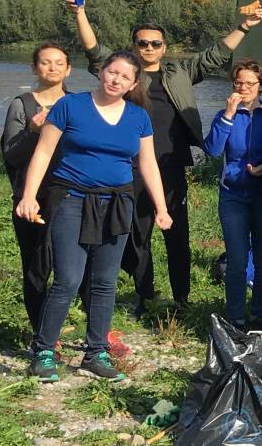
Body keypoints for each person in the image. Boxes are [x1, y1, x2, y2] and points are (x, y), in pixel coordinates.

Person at [72, 0, 261, 316]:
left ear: (163, 46)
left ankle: (182, 298)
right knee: (137, 234)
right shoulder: (125, 76)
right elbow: (94, 51)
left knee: (177, 236)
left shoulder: (180, 71)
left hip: (171, 165)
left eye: (154, 43)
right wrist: (79, 12)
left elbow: (215, 55)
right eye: (142, 43)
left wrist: (243, 27)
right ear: (133, 46)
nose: (148, 48)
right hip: (131, 166)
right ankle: (145, 297)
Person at [16, 51, 170, 384]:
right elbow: (43, 152)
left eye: (124, 77)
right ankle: (43, 351)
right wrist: (29, 195)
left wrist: (161, 207)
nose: (116, 80)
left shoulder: (138, 117)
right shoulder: (70, 106)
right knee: (69, 279)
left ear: (133, 83)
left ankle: (95, 352)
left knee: (104, 282)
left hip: (117, 204)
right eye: (112, 72)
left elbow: (148, 165)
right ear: (101, 71)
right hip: (71, 199)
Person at [0, 42, 71, 344]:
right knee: (35, 264)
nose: (52, 68)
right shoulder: (22, 104)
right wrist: (31, 130)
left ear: (68, 69)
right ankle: (40, 331)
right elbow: (11, 155)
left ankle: (64, 325)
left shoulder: (78, 104)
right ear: (34, 68)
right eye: (45, 62)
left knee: (70, 264)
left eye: (58, 62)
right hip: (32, 198)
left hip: (71, 196)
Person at [202, 60, 262, 330]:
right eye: (238, 83)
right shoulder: (225, 114)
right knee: (237, 260)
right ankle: (235, 317)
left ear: (261, 85)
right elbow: (211, 150)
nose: (243, 88)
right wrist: (229, 115)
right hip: (232, 195)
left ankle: (259, 315)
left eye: (249, 83)